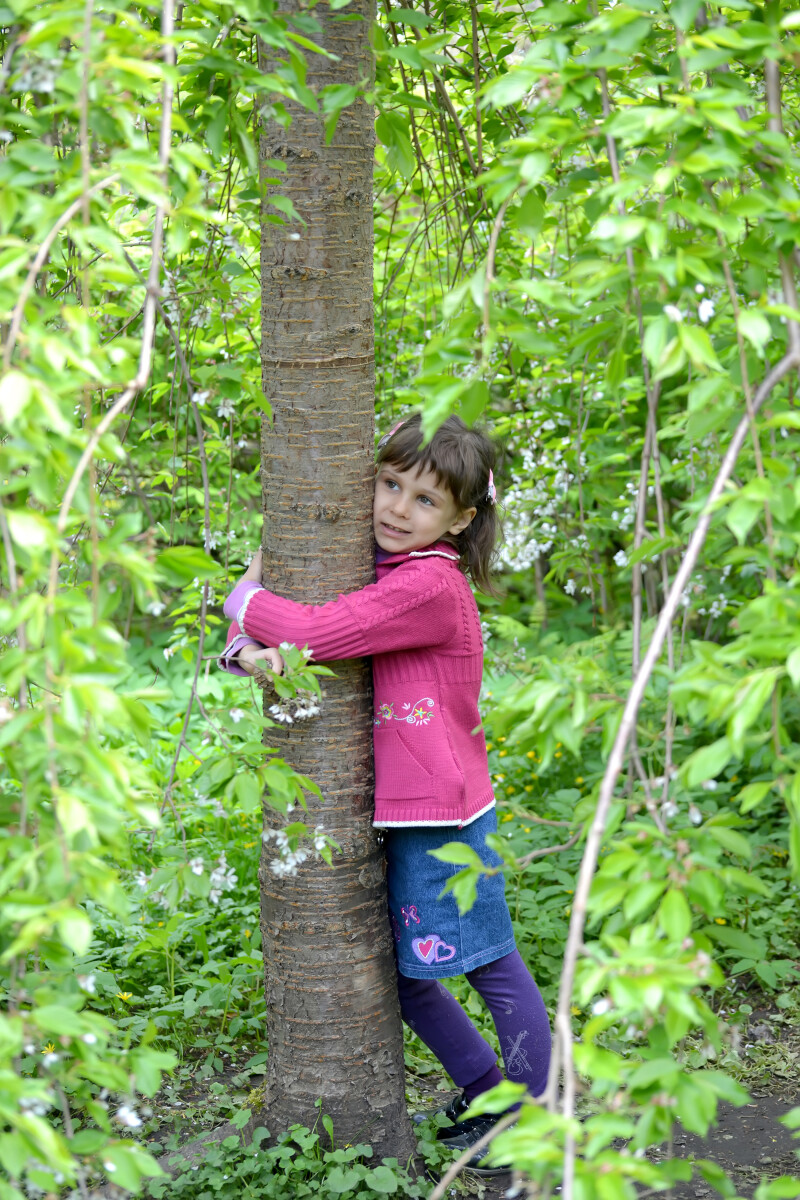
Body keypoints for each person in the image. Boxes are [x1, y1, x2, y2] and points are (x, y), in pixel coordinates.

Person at [218, 414, 551, 1172]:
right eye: (390, 483)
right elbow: (300, 637)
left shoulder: (429, 584)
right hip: (407, 811)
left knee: (487, 961)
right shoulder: (381, 566)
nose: (397, 508)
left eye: (425, 500)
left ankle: (528, 1121)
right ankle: (489, 1090)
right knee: (402, 975)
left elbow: (308, 627)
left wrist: (243, 591)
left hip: (446, 815)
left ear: (463, 519)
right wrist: (246, 650)